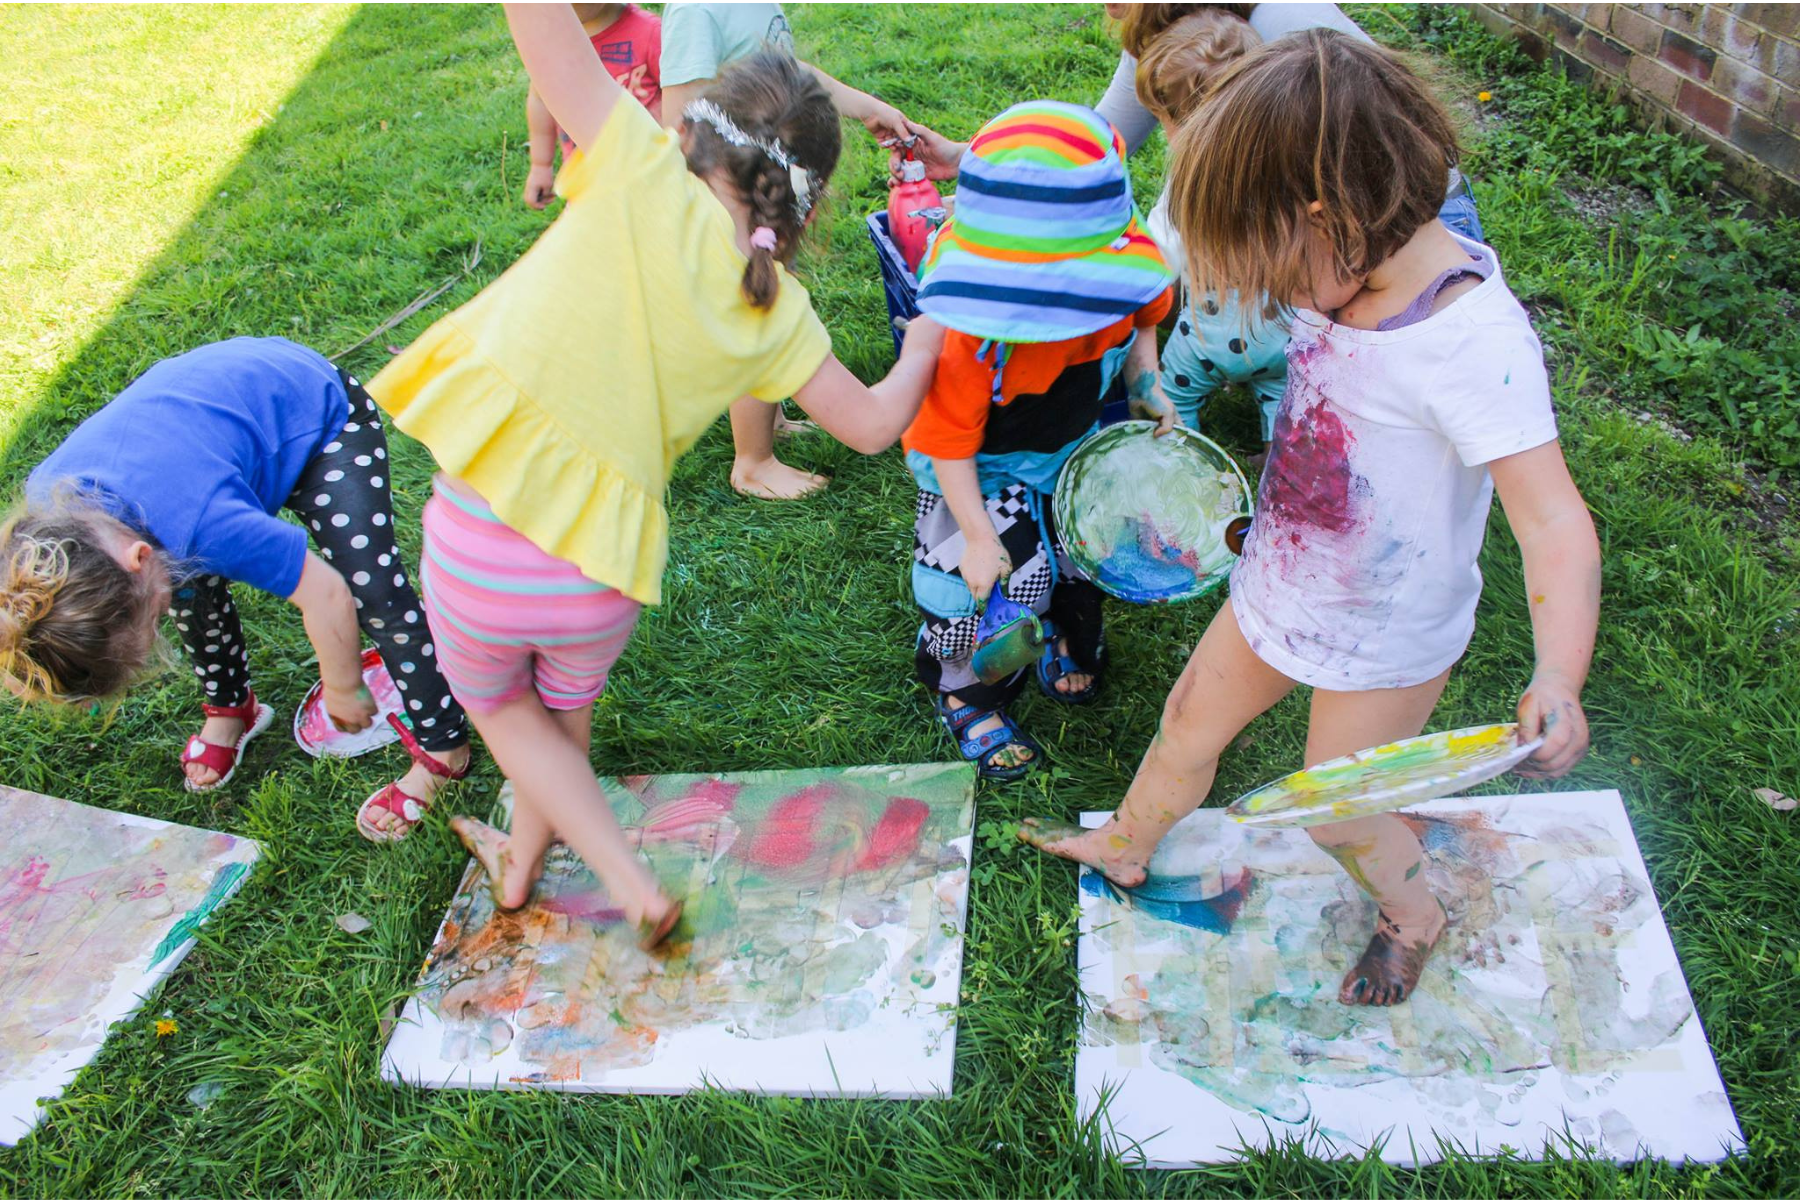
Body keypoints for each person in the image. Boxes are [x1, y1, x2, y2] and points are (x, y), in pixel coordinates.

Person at [1019, 32, 1601, 1009]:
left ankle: (1414, 915)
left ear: (1327, 215)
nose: (1277, 297)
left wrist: (1557, 676)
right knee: (1185, 722)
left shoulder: (1470, 341)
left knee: (1338, 811)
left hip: (1388, 633)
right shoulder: (1343, 269)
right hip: (1281, 581)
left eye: (1277, 269)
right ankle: (1126, 845)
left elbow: (1555, 526)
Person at [375, 5, 944, 949]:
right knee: (561, 729)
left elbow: (541, 30)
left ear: (693, 130)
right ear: (803, 204)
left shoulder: (638, 162)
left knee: (498, 712)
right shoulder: (778, 309)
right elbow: (878, 426)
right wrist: (925, 334)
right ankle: (517, 867)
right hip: (601, 578)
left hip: (485, 535)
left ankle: (627, 877)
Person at [0, 337, 473, 840]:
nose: (160, 630)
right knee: (187, 588)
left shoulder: (201, 521)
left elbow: (326, 593)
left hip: (318, 417)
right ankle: (232, 708)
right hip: (211, 429)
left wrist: (343, 684)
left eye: (151, 621)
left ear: (135, 559)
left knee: (373, 592)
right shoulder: (47, 529)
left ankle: (445, 747)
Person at [906, 101, 1176, 781]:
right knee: (988, 588)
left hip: (1069, 447)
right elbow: (949, 442)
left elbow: (1146, 320)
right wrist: (973, 534)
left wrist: (1145, 380)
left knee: (1082, 560)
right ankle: (967, 690)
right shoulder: (971, 334)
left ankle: (1063, 632)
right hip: (980, 472)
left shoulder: (1124, 280)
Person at [660, 2, 916, 503]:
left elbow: (794, 73)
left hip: (755, 187)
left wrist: (867, 105)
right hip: (727, 196)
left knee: (761, 314)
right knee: (755, 317)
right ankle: (752, 462)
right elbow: (680, 116)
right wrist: (926, 345)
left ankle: (770, 419)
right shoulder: (696, 11)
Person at [1133, 9, 1289, 455]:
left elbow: (1158, 263)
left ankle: (1185, 458)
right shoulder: (1285, 168)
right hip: (1283, 336)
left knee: (1175, 397)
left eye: (1163, 118)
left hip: (1208, 335)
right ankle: (1271, 462)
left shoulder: (1191, 189)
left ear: (1187, 125)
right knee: (1284, 405)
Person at [523, 3, 662, 209]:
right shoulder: (553, 40)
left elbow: (681, 100)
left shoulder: (650, 33)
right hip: (586, 186)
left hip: (649, 176)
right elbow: (540, 98)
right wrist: (541, 166)